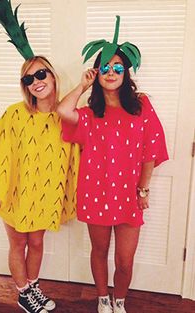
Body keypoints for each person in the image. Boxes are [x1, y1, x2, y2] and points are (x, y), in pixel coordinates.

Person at [57, 16, 168, 313]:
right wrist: (81, 86)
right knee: (100, 250)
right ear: (97, 72)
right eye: (105, 67)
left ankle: (119, 301)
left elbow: (151, 150)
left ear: (126, 74)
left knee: (124, 260)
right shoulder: (90, 113)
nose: (111, 72)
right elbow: (61, 111)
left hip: (129, 195)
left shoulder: (141, 104)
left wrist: (143, 190)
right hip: (96, 192)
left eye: (118, 67)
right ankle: (102, 298)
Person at [0, 2, 78, 313]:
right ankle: (23, 293)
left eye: (40, 73)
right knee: (18, 244)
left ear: (51, 75)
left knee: (37, 244)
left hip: (44, 194)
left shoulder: (65, 117)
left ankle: (32, 287)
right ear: (25, 86)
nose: (35, 81)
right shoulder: (14, 114)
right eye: (28, 78)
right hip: (13, 192)